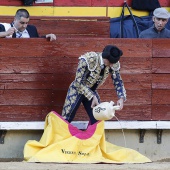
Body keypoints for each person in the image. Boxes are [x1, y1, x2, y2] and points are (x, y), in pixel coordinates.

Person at [62, 45, 126, 125]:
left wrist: (121, 98)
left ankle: (93, 138)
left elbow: (118, 81)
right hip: (77, 90)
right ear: (105, 58)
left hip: (92, 91)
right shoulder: (88, 59)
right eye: (111, 63)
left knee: (98, 119)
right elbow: (78, 82)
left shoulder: (112, 64)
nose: (112, 66)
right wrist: (92, 96)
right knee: (66, 119)